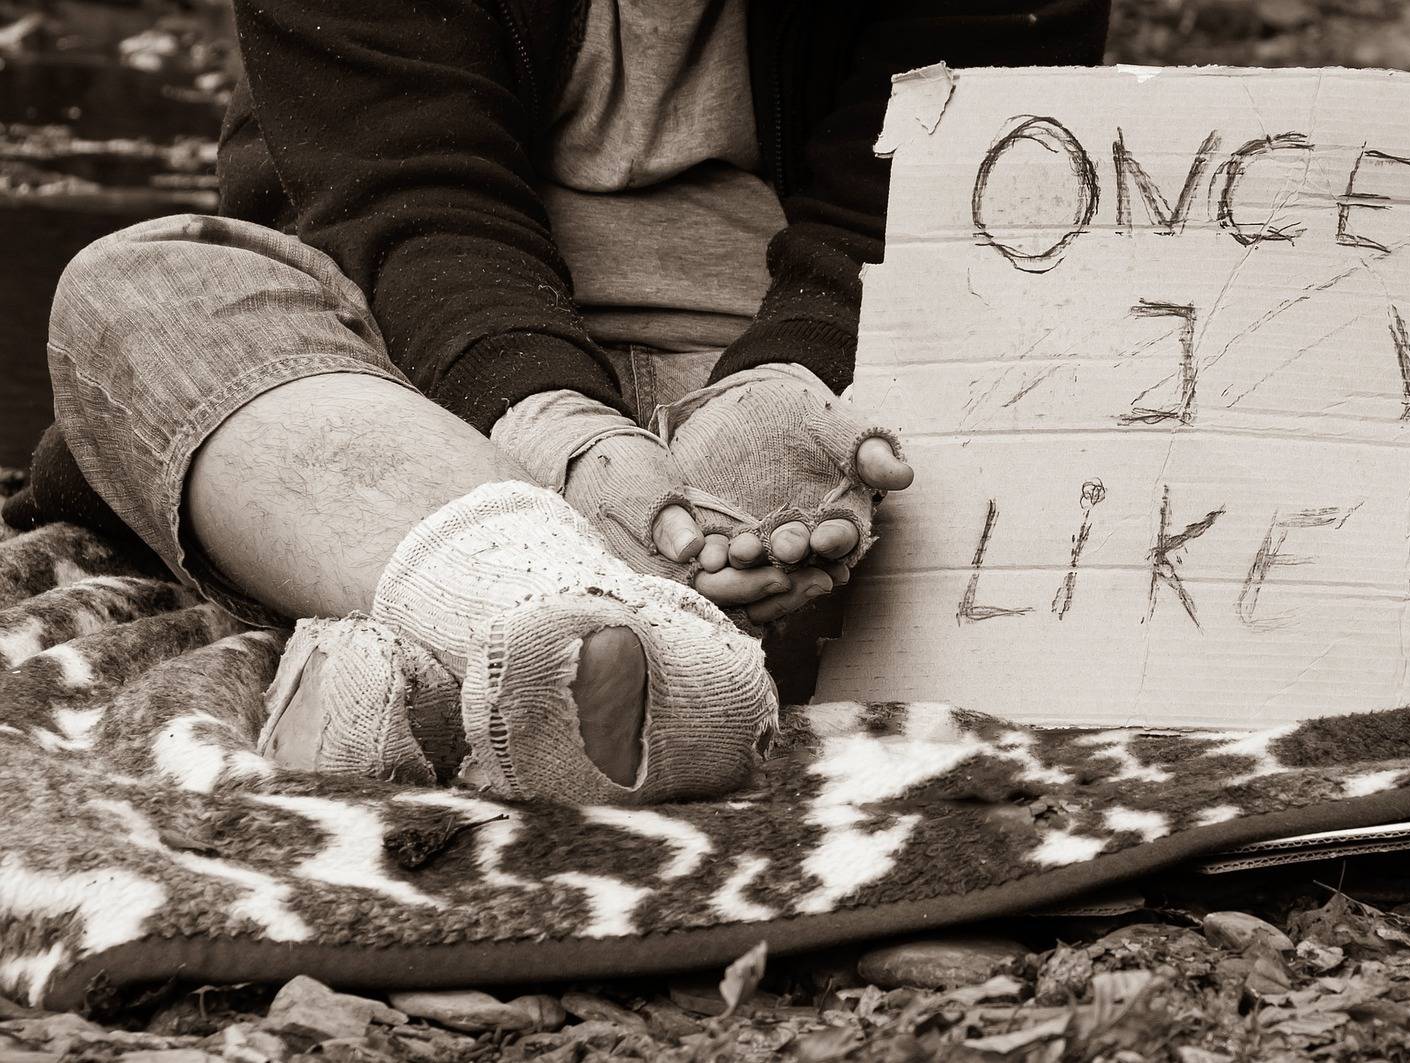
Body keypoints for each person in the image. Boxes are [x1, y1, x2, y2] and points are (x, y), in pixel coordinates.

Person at [1, 1, 1113, 804]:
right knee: (139, 290)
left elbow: (918, 212)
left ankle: (485, 638)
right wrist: (566, 437)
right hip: (415, 388)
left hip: (770, 395)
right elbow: (407, 200)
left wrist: (778, 410)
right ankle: (590, 619)